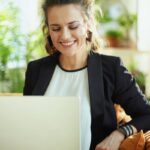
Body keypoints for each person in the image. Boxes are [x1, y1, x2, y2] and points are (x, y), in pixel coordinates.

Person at [23, 0, 150, 149]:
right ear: (48, 30)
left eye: (73, 26)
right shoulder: (36, 70)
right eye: (56, 28)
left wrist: (119, 133)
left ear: (88, 23)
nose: (64, 36)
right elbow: (29, 123)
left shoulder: (111, 68)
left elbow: (146, 115)